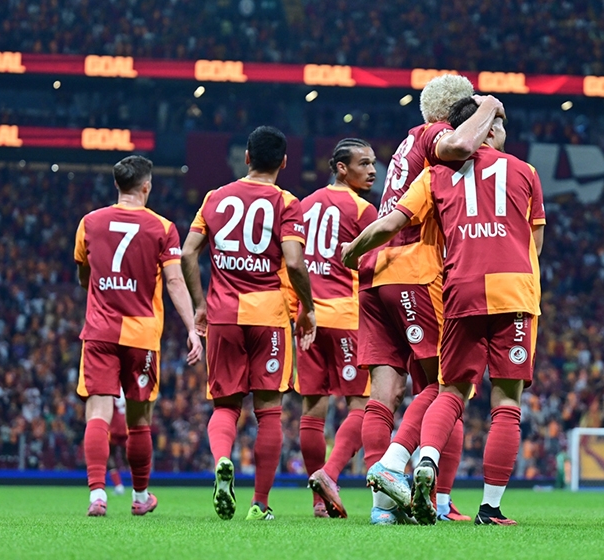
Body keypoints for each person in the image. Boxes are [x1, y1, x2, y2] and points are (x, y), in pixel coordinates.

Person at [342, 96, 545, 525]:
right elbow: (536, 244)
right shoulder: (525, 171)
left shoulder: (435, 175)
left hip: (458, 288)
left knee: (447, 389)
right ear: (490, 128)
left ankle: (417, 465)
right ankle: (489, 507)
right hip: (513, 291)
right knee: (506, 401)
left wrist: (353, 251)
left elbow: (390, 223)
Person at [181, 126, 316, 522]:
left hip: (223, 314)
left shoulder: (215, 197)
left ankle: (222, 460)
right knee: (269, 411)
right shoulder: (286, 202)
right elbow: (294, 262)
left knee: (225, 406)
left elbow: (187, 254)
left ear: (246, 157)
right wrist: (307, 307)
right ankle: (260, 504)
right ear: (284, 162)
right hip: (268, 316)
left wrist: (199, 304)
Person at [74, 155, 203, 517]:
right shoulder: (162, 227)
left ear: (117, 185)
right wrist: (192, 329)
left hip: (100, 330)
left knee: (98, 411)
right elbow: (174, 281)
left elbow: (84, 275)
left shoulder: (89, 222)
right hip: (141, 335)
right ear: (147, 186)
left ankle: (97, 495)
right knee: (139, 419)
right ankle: (141, 496)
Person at [292, 138, 378, 518]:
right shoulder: (363, 210)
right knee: (361, 404)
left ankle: (318, 504)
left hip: (308, 318)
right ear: (342, 168)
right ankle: (329, 474)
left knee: (313, 408)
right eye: (364, 164)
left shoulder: (303, 205)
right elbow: (373, 267)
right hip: (346, 317)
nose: (372, 171)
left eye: (373, 163)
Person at [107, 390, 128, 495]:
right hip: (128, 425)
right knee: (128, 457)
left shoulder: (112, 388)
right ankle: (140, 487)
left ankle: (118, 485)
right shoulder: (129, 386)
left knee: (109, 455)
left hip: (114, 427)